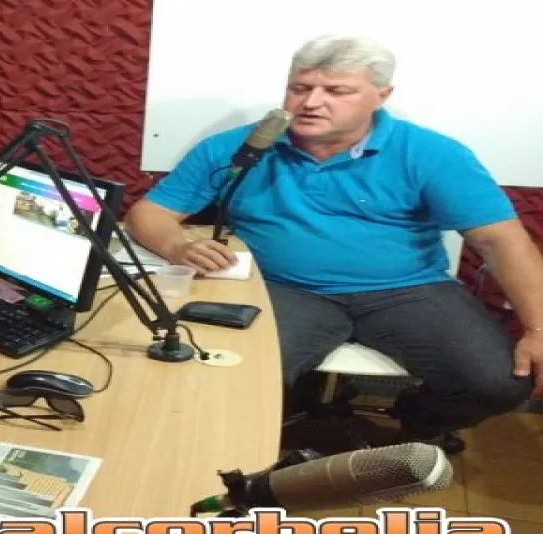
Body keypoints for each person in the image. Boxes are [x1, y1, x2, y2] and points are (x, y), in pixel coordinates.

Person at [125, 35, 543, 444]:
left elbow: (500, 240)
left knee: (499, 384)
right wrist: (178, 247)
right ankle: (262, 438)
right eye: (300, 88)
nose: (310, 102)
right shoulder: (240, 147)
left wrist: (538, 327)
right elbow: (149, 214)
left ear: (381, 95)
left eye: (336, 91)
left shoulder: (433, 153)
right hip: (282, 289)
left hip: (409, 290)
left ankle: (417, 421)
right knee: (229, 377)